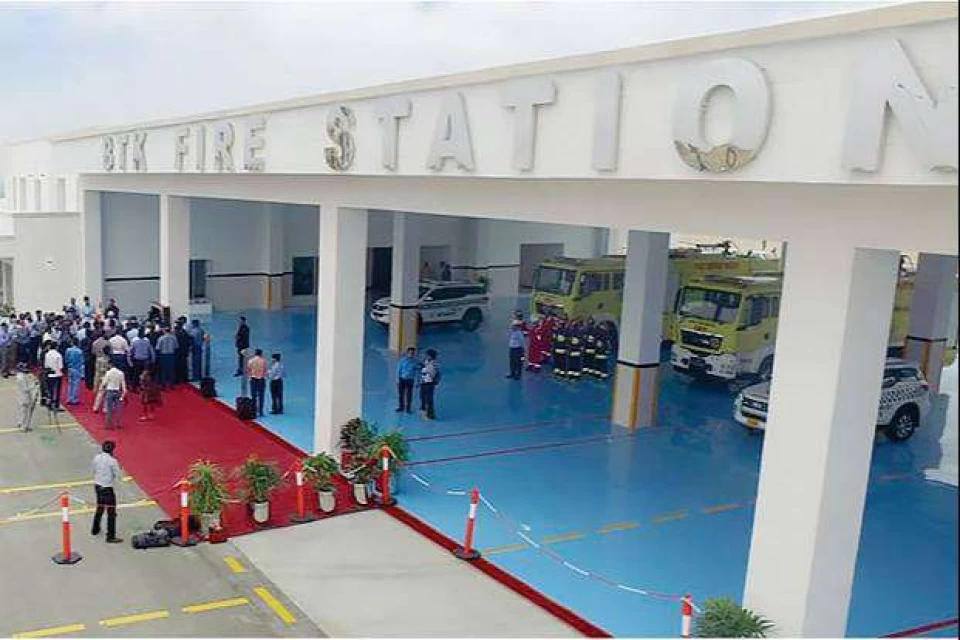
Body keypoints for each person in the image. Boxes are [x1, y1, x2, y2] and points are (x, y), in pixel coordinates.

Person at [91, 441, 123, 543]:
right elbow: (118, 475)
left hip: (97, 485)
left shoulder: (97, 457)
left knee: (99, 508)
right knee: (111, 512)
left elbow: (94, 469)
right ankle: (110, 536)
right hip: (107, 488)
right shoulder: (112, 461)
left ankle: (95, 529)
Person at [99, 359, 127, 430]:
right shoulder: (121, 373)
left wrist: (101, 389)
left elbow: (104, 383)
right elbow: (123, 385)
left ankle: (109, 424)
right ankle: (119, 423)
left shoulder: (108, 373)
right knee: (118, 409)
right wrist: (123, 395)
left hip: (110, 391)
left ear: (110, 364)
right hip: (117, 391)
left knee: (109, 409)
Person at [396, 347, 420, 413]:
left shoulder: (416, 362)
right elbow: (398, 370)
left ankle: (408, 408)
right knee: (401, 394)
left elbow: (418, 372)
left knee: (409, 395)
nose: (411, 354)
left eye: (412, 353)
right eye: (409, 353)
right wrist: (397, 379)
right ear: (407, 353)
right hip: (402, 379)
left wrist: (417, 381)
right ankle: (401, 407)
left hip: (410, 380)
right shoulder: (402, 361)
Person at [419, 349, 441, 420]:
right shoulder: (425, 361)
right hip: (423, 381)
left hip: (430, 383)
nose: (426, 356)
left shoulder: (434, 363)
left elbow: (433, 372)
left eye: (427, 355)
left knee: (429, 398)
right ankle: (424, 410)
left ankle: (430, 414)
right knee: (422, 396)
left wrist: (425, 367)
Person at [43, 340, 64, 411]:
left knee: (50, 390)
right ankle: (56, 405)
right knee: (57, 391)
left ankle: (49, 404)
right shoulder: (58, 355)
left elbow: (46, 365)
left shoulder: (47, 354)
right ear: (56, 347)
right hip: (57, 374)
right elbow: (60, 366)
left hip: (49, 374)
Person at [247, 348, 268, 417]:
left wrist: (251, 375)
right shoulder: (263, 361)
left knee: (253, 396)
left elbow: (249, 369)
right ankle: (261, 411)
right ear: (261, 354)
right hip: (261, 379)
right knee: (261, 395)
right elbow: (265, 370)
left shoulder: (251, 360)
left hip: (253, 379)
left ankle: (254, 411)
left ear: (255, 353)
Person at [64, 339, 85, 405]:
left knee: (70, 384)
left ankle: (69, 398)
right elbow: (82, 361)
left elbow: (66, 360)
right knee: (76, 384)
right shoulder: (79, 351)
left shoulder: (68, 350)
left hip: (70, 368)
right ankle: (74, 399)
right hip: (77, 369)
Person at [16, 363, 34, 432]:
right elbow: (26, 389)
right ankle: (24, 427)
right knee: (25, 412)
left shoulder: (20, 376)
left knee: (22, 411)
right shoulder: (21, 378)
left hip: (22, 396)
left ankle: (20, 422)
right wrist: (33, 386)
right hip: (24, 396)